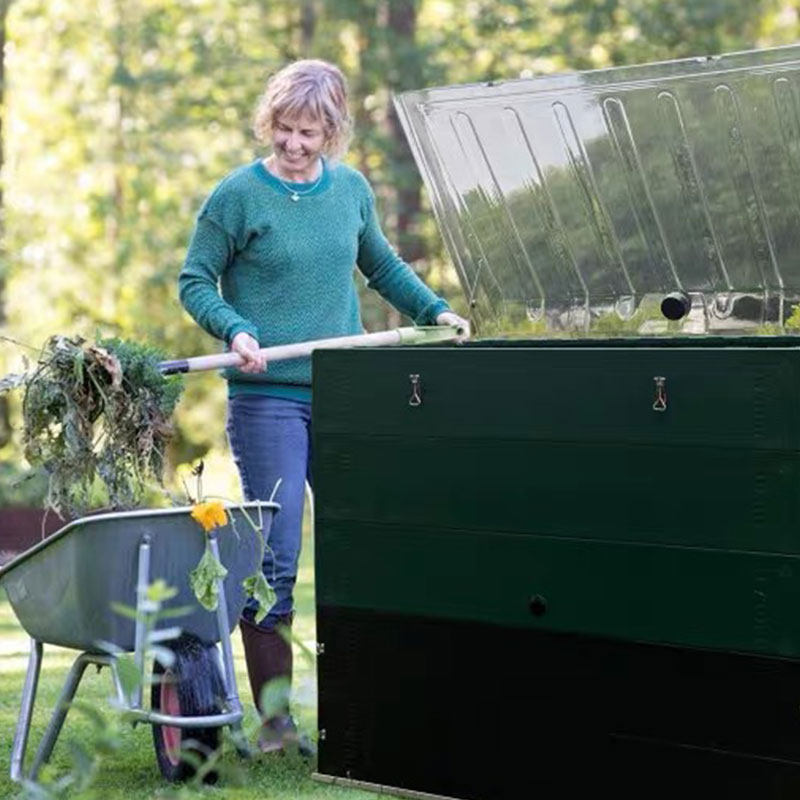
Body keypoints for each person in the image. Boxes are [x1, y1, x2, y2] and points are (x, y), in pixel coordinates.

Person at [178, 59, 469, 754]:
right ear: (269, 123)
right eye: (284, 128)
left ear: (332, 131)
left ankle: (373, 699)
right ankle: (276, 723)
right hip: (268, 396)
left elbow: (382, 267)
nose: (294, 144)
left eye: (309, 131)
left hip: (344, 390)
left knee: (371, 539)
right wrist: (235, 328)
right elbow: (195, 280)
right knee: (275, 560)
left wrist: (435, 309)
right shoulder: (238, 196)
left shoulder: (351, 191)